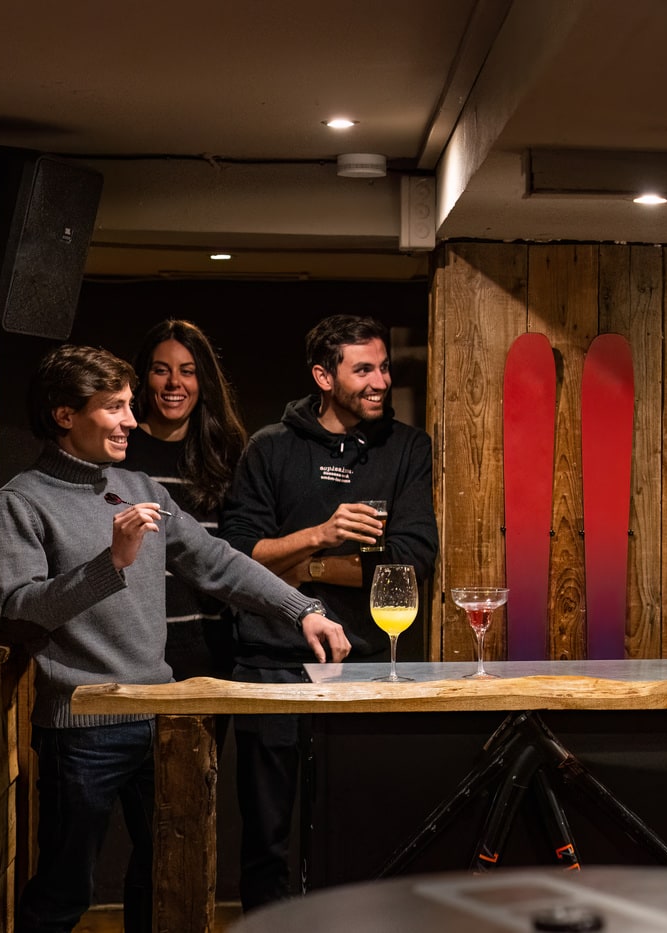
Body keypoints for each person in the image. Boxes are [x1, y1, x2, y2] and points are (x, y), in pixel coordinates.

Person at [0, 344, 351, 933]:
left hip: (160, 715)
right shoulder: (22, 500)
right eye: (115, 407)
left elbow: (217, 562)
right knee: (63, 892)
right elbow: (20, 612)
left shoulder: (139, 487)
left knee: (167, 881)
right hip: (81, 727)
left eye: (131, 405)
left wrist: (300, 608)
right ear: (64, 414)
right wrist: (113, 561)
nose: (133, 420)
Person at [220, 313, 437, 910]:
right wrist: (319, 535)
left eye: (384, 366)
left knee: (356, 829)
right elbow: (235, 557)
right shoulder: (271, 447)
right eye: (362, 368)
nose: (380, 381)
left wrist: (299, 565)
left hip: (367, 667)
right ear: (323, 376)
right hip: (269, 664)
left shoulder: (407, 448)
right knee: (266, 839)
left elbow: (410, 563)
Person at [124, 319, 247, 686]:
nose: (174, 383)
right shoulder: (119, 450)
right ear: (144, 378)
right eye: (161, 370)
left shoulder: (226, 455)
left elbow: (233, 554)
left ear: (203, 381)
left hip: (211, 652)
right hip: (135, 651)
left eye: (187, 372)